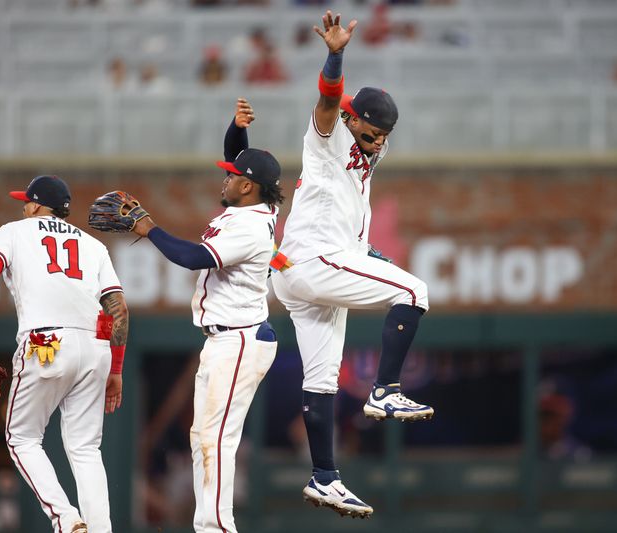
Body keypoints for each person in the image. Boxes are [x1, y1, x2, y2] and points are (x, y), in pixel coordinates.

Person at [270, 10, 433, 518]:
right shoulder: (329, 137)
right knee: (414, 293)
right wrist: (336, 53)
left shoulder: (360, 170)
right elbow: (326, 97)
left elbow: (352, 234)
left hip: (308, 274)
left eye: (386, 133)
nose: (378, 138)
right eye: (372, 128)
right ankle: (385, 390)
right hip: (314, 261)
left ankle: (324, 476)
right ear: (352, 118)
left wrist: (372, 254)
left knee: (320, 379)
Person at [123, 98, 284, 533]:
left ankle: (217, 529)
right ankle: (209, 526)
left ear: (248, 187)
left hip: (240, 340)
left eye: (232, 176)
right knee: (202, 438)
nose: (225, 178)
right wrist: (237, 129)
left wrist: (149, 228)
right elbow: (237, 158)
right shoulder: (251, 206)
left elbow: (195, 258)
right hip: (224, 339)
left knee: (215, 439)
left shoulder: (249, 226)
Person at [0, 175, 128, 533]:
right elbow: (118, 310)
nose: (24, 206)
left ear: (37, 205)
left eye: (27, 201)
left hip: (46, 343)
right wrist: (115, 368)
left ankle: (66, 519)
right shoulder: (94, 245)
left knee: (21, 437)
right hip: (96, 346)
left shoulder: (14, 231)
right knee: (86, 448)